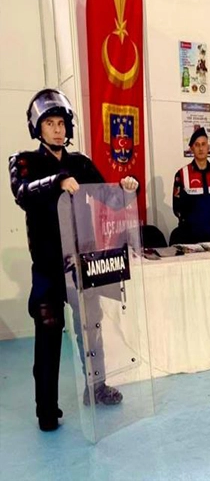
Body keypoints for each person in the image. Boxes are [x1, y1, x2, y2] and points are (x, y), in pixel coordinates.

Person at [8, 89, 138, 431]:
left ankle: (97, 387)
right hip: (48, 265)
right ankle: (46, 408)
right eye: (50, 123)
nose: (57, 129)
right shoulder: (23, 161)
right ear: (38, 127)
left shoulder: (79, 162)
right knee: (49, 329)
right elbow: (22, 193)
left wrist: (128, 187)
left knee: (90, 326)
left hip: (81, 261)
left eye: (61, 123)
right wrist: (57, 181)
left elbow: (110, 197)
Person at [172, 127, 210, 244]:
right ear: (192, 148)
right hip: (190, 236)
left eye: (203, 144)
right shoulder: (182, 174)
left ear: (208, 147)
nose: (201, 148)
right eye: (197, 145)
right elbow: (177, 207)